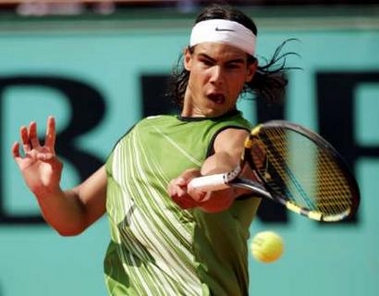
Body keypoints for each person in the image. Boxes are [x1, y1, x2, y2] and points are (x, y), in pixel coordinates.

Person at [12, 3, 292, 296]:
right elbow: (75, 217)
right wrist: (47, 192)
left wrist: (199, 180)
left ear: (249, 71)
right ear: (188, 59)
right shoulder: (143, 133)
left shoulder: (236, 138)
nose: (217, 76)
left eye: (232, 66)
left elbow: (221, 178)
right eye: (206, 61)